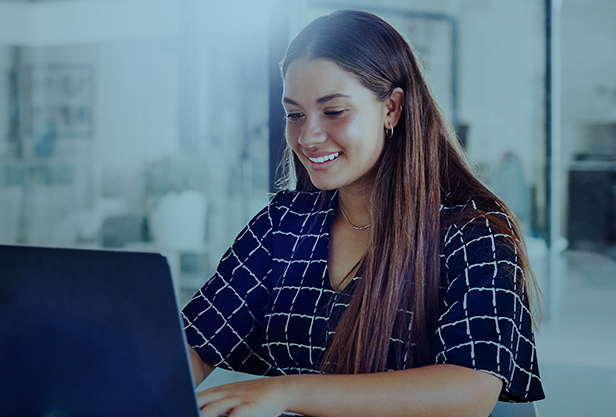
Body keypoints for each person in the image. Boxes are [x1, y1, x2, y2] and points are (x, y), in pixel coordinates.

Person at [182, 9, 545, 417]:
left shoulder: (473, 231)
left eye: (334, 111)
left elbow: (471, 389)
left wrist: (287, 392)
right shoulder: (283, 224)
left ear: (391, 108)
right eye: (295, 114)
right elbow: (193, 345)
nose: (308, 136)